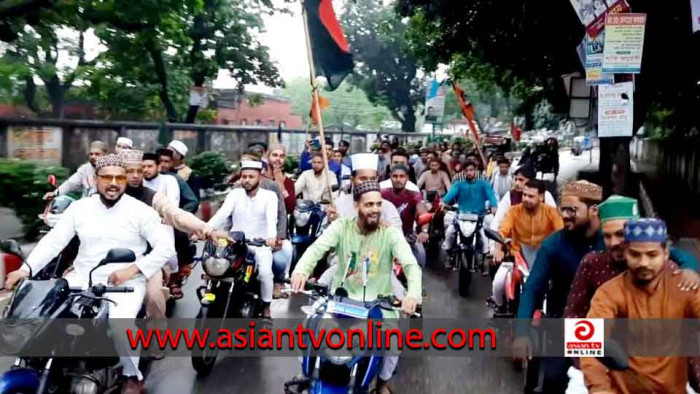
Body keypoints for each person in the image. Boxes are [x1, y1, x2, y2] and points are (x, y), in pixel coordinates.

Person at [5, 154, 176, 394]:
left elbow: (165, 247)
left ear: (126, 180)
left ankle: (131, 376)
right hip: (80, 278)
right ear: (96, 179)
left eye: (119, 177)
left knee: (120, 323)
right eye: (107, 177)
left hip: (124, 284)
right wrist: (25, 269)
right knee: (46, 314)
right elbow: (54, 242)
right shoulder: (80, 208)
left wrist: (133, 268)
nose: (113, 182)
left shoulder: (140, 211)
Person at [291, 181, 421, 394]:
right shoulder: (341, 227)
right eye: (369, 205)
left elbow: (410, 265)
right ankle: (307, 372)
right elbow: (317, 249)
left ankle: (382, 383)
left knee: (393, 341)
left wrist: (412, 295)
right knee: (308, 326)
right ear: (356, 206)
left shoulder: (390, 234)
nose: (375, 210)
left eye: (378, 205)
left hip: (378, 304)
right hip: (340, 302)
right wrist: (301, 271)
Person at [564, 196, 700, 393]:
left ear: (665, 254)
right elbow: (585, 332)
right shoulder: (601, 278)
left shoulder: (680, 281)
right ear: (628, 251)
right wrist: (598, 385)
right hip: (602, 369)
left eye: (652, 255)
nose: (644, 262)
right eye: (635, 254)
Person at [120, 149, 230, 337]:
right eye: (131, 171)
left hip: (147, 261)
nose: (137, 176)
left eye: (140, 171)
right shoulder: (98, 200)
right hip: (107, 263)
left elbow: (175, 214)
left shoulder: (152, 196)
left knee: (154, 296)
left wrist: (207, 229)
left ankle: (156, 339)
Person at [512, 180, 604, 393]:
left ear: (593, 210)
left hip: (608, 326)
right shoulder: (553, 244)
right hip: (562, 323)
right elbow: (533, 287)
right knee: (554, 381)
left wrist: (688, 270)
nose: (565, 215)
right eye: (562, 209)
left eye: (572, 210)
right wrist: (522, 332)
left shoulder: (612, 240)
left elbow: (665, 253)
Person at [207, 160, 277, 319]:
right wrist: (205, 229)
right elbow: (222, 214)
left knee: (265, 274)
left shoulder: (269, 196)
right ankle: (211, 293)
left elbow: (271, 219)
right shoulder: (235, 194)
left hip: (260, 245)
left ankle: (266, 307)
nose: (246, 180)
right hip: (234, 243)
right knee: (214, 266)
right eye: (244, 176)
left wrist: (271, 237)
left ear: (260, 178)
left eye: (251, 177)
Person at [490, 180, 564, 312]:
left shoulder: (551, 212)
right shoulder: (514, 211)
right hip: (517, 259)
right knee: (498, 283)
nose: (525, 199)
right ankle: (500, 311)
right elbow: (502, 231)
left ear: (541, 197)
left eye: (531, 196)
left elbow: (561, 233)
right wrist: (497, 249)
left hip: (544, 260)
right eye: (524, 195)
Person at [440, 161, 498, 254]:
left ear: (476, 170)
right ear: (463, 172)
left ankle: (488, 254)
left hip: (480, 216)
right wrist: (443, 202)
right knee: (450, 232)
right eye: (466, 171)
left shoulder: (484, 184)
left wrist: (494, 206)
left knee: (486, 235)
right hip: (461, 215)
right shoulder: (458, 184)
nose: (469, 173)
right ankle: (449, 252)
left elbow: (491, 196)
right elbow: (450, 195)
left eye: (471, 170)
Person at [381, 164, 430, 268]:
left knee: (420, 257)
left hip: (407, 237)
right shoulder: (382, 194)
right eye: (395, 176)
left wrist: (424, 232)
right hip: (384, 238)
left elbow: (423, 213)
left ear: (407, 178)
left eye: (401, 176)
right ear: (390, 177)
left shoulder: (414, 195)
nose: (398, 179)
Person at [264, 145, 296, 299]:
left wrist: (280, 182)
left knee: (287, 251)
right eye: (274, 155)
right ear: (267, 156)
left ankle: (280, 281)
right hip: (256, 229)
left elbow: (289, 207)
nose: (278, 159)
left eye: (281, 156)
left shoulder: (287, 181)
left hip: (278, 231)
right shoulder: (257, 177)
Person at [491, 165, 557, 235]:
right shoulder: (510, 196)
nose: (517, 183)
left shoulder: (545, 195)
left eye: (521, 180)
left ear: (531, 181)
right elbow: (498, 220)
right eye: (516, 179)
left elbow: (555, 219)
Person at [156, 149, 199, 213]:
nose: (162, 164)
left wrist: (179, 214)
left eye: (166, 161)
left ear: (172, 163)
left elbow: (192, 201)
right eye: (160, 161)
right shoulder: (148, 177)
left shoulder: (176, 179)